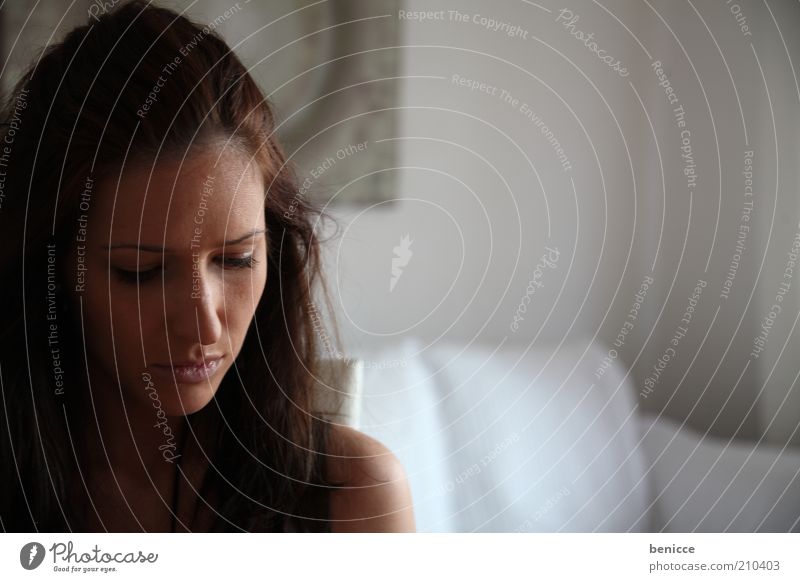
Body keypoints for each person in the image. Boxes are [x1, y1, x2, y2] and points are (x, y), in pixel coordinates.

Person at [0, 1, 414, 533]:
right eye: (140, 271)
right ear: (53, 268)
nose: (205, 326)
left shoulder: (352, 493)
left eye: (237, 260)